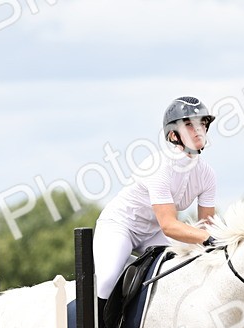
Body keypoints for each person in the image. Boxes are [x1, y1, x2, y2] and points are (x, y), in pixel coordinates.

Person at [93, 96, 219, 301]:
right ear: (173, 135)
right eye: (189, 124)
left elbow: (206, 228)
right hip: (121, 225)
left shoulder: (207, 174)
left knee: (179, 275)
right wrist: (208, 239)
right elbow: (170, 225)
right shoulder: (159, 166)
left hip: (153, 233)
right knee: (106, 282)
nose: (199, 129)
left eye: (203, 123)